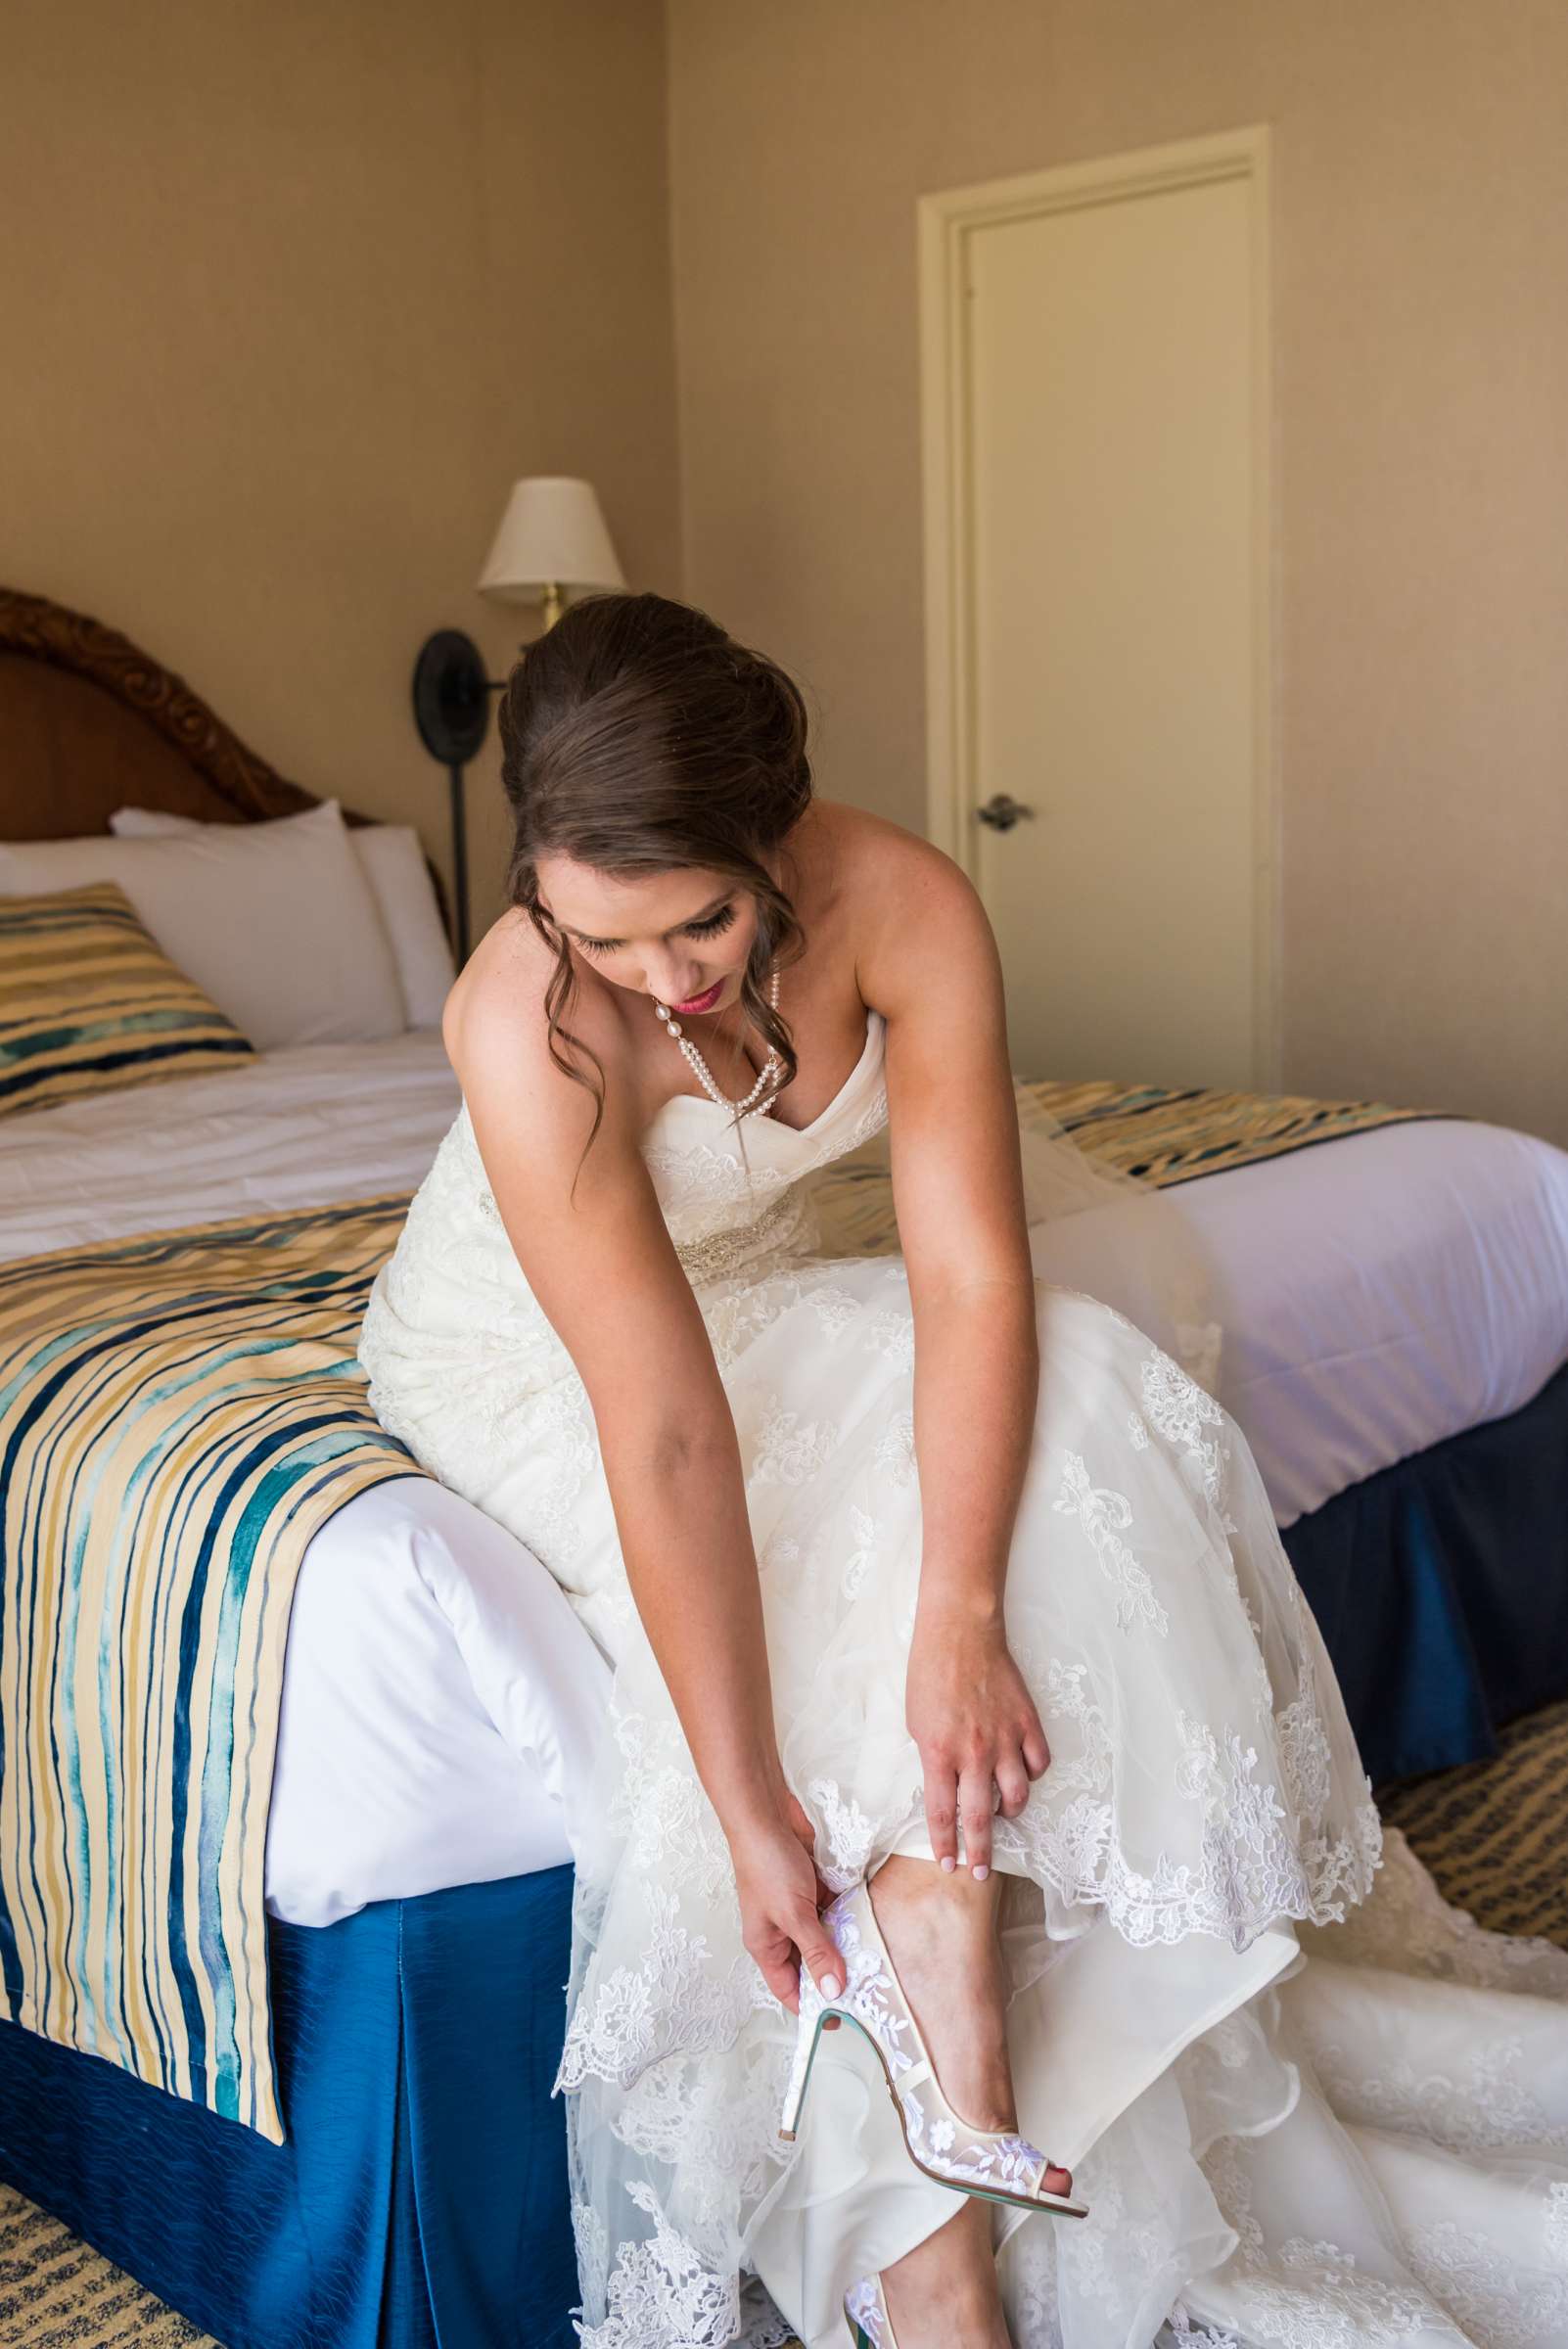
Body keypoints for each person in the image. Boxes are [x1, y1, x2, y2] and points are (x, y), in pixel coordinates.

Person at [358, 592, 1568, 2349]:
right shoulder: (526, 1015)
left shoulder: (905, 902)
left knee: (1081, 1373)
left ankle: (944, 1898)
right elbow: (668, 1431)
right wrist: (744, 1807)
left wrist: (963, 1613)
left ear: (770, 834)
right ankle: (933, 2270)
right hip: (533, 1364)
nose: (662, 980)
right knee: (806, 1618)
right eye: (600, 935)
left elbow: (972, 1277)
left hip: (751, 1300)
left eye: (698, 921)